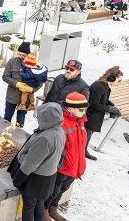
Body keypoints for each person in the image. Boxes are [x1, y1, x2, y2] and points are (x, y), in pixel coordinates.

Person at [8, 103, 65, 221]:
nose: (38, 119)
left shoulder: (45, 138)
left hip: (35, 180)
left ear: (47, 118)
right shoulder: (59, 131)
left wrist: (18, 180)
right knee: (39, 201)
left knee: (29, 206)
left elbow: (30, 163)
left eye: (40, 117)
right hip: (47, 178)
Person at [44, 92, 89, 221]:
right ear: (70, 107)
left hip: (75, 167)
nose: (84, 111)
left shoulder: (80, 120)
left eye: (85, 109)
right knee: (53, 191)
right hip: (62, 167)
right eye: (81, 109)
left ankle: (53, 209)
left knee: (63, 189)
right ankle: (44, 211)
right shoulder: (61, 122)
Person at [84, 67, 123, 161]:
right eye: (119, 80)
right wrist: (111, 109)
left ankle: (83, 151)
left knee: (88, 135)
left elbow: (103, 99)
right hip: (90, 115)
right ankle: (82, 152)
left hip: (94, 116)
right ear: (112, 78)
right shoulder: (99, 86)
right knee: (86, 135)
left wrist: (112, 105)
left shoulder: (103, 85)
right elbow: (94, 104)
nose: (120, 82)